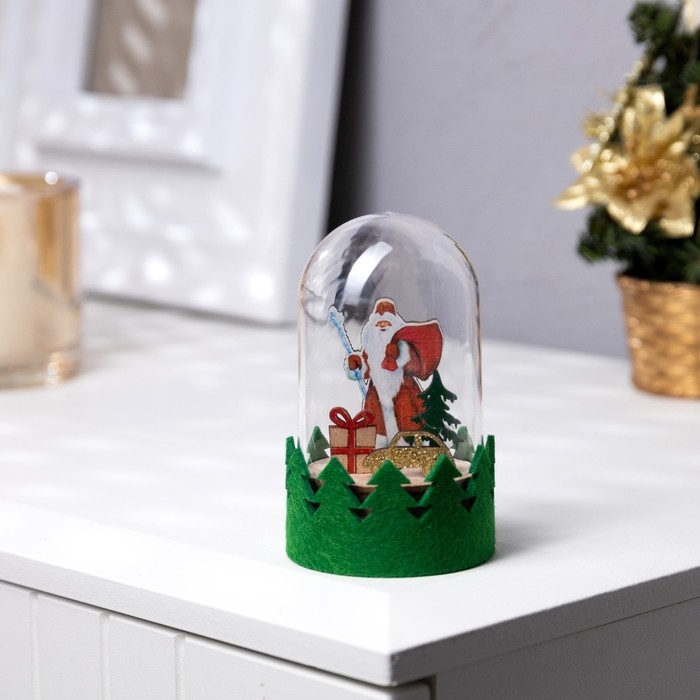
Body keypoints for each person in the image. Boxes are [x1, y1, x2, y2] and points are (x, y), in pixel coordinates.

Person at [345, 298, 443, 446]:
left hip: (404, 391)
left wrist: (397, 357)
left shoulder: (404, 348)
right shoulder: (370, 351)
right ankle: (379, 445)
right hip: (377, 394)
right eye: (379, 324)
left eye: (387, 323)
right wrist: (355, 364)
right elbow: (363, 369)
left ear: (395, 325)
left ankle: (411, 443)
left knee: (409, 416)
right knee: (376, 422)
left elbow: (413, 365)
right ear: (372, 328)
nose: (382, 327)